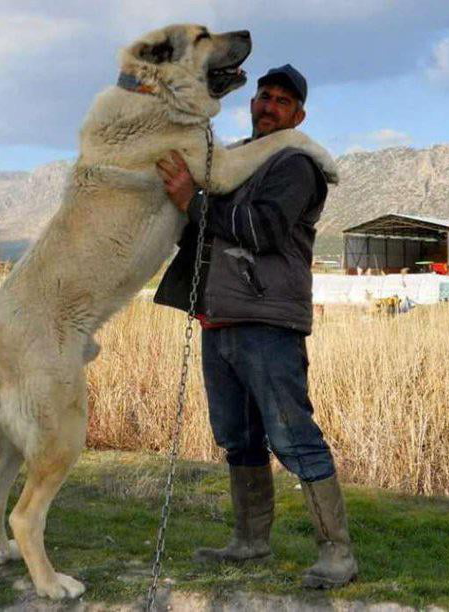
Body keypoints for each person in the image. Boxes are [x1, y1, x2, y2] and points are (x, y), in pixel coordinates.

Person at [154, 64, 358, 589]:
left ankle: (337, 554)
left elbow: (261, 229)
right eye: (264, 96)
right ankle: (250, 541)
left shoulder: (295, 165)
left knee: (293, 438)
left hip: (268, 321)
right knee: (237, 438)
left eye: (282, 101)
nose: (268, 105)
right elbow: (203, 228)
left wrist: (194, 203)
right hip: (219, 317)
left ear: (299, 116)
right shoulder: (237, 160)